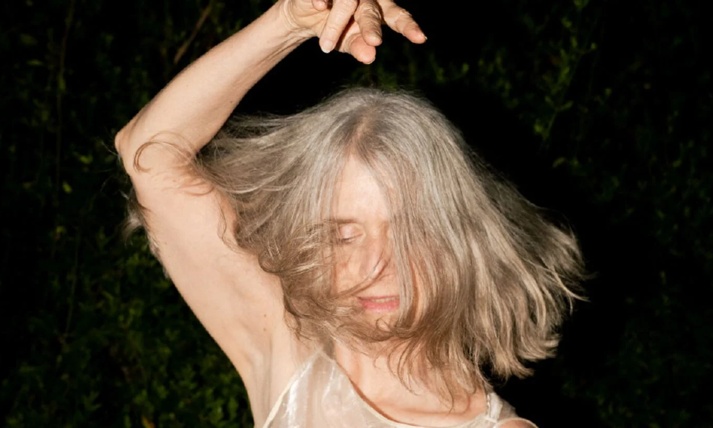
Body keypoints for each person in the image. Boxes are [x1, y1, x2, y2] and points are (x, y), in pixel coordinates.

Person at [116, 0, 584, 426]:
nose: (373, 267)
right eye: (344, 235)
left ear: (460, 238)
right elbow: (149, 155)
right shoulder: (287, 349)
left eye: (407, 232)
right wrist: (288, 21)